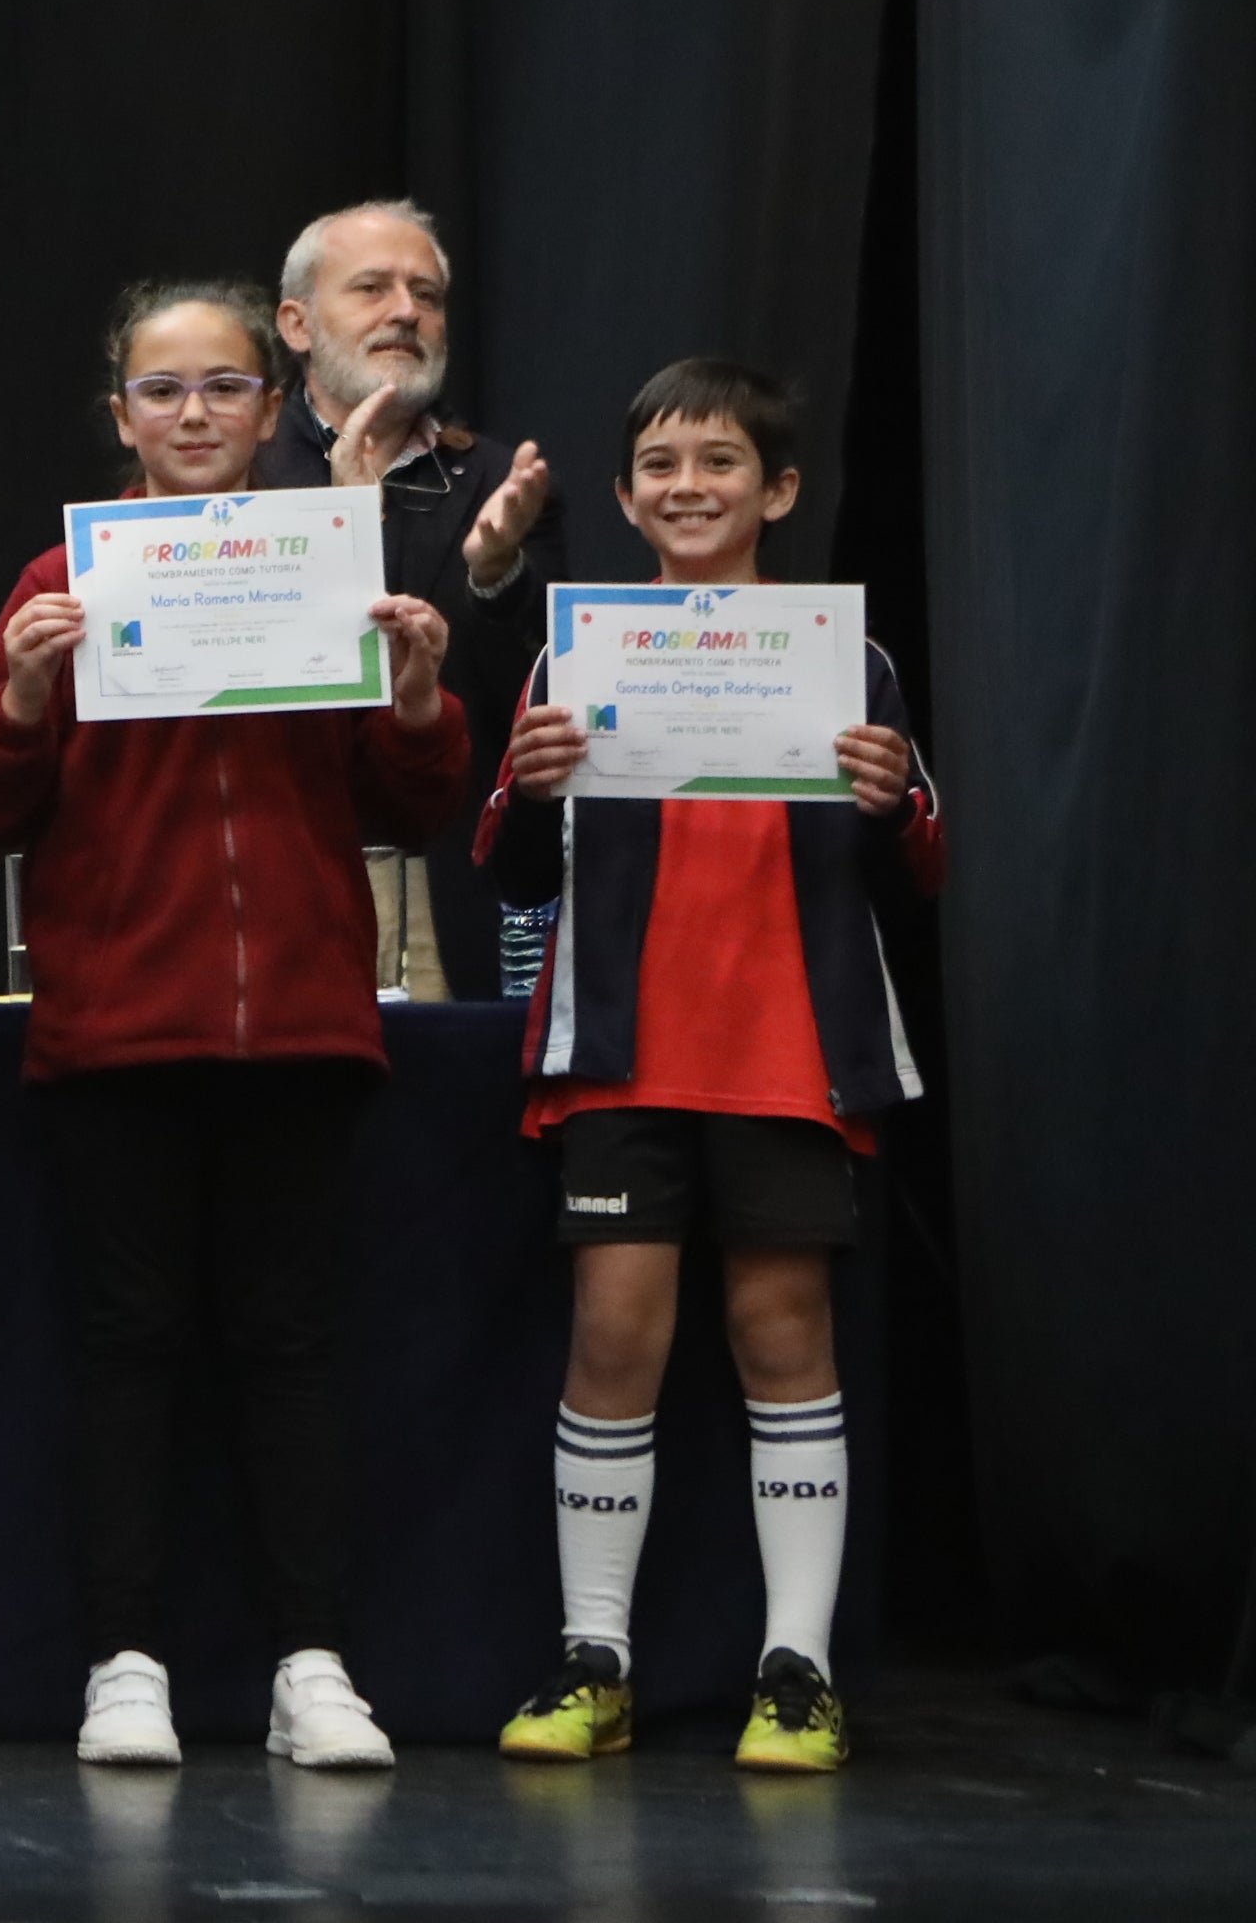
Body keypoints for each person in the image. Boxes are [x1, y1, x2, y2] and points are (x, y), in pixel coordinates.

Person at [0, 279, 465, 1773]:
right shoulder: (65, 573)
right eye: (163, 392)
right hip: (119, 1031)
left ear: (266, 404)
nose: (193, 416)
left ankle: (313, 1665)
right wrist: (25, 691)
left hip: (300, 1023)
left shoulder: (327, 564)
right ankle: (124, 1664)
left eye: (223, 388)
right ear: (122, 416)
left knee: (294, 1351)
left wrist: (420, 699)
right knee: (126, 1350)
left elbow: (414, 804)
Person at [479, 361, 943, 1777]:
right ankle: (594, 1659)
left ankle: (795, 1671)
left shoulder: (844, 659)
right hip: (622, 1047)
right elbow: (504, 874)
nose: (691, 486)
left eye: (722, 463)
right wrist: (528, 780)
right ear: (623, 500)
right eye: (663, 467)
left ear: (779, 490)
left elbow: (919, 865)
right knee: (615, 1336)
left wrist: (893, 797)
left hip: (790, 1045)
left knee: (782, 1335)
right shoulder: (576, 654)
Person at [251, 201, 564, 999]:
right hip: (270, 872)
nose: (405, 312)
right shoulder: (235, 477)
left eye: (425, 294)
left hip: (445, 881)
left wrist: (496, 576)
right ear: (295, 323)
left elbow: (544, 694)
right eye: (373, 289)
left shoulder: (504, 482)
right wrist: (342, 515)